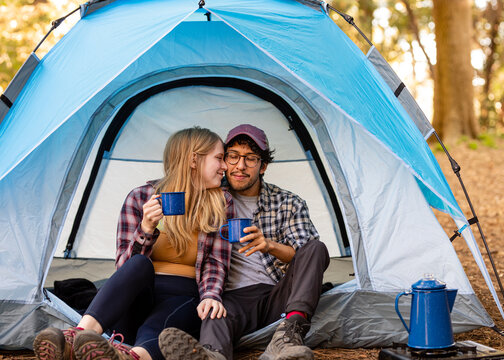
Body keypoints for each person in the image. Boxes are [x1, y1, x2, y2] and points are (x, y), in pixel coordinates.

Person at [33, 127, 233, 360]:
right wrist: (147, 228)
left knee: (164, 324)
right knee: (139, 263)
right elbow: (124, 268)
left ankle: (131, 357)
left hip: (184, 297)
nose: (225, 166)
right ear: (193, 160)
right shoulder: (140, 197)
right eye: (219, 158)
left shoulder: (221, 202)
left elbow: (216, 262)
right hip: (136, 297)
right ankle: (77, 336)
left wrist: (211, 295)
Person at [158, 124, 330, 360]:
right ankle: (213, 355)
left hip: (278, 293)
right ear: (223, 161)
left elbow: (308, 258)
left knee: (316, 247)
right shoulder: (210, 196)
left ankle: (288, 336)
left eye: (250, 158)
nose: (240, 166)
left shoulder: (288, 202)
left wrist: (269, 245)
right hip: (232, 297)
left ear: (263, 166)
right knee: (214, 310)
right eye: (233, 157)